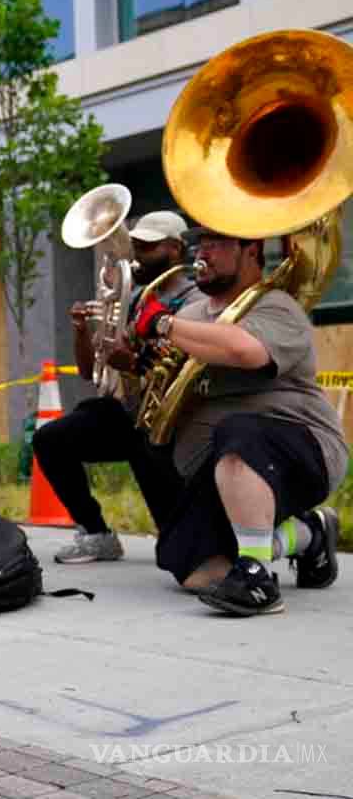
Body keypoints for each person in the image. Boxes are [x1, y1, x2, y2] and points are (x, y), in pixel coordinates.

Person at [132, 226, 345, 615]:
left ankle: (257, 579)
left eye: (216, 244)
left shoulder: (278, 306)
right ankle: (309, 535)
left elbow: (246, 351)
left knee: (237, 431)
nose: (203, 253)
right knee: (185, 561)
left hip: (302, 451)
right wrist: (142, 364)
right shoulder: (193, 313)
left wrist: (164, 325)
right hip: (219, 469)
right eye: (201, 244)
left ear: (251, 251)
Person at [35, 211, 200, 564]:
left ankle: (185, 538)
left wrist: (134, 361)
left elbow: (188, 364)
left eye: (148, 247)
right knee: (50, 439)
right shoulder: (135, 297)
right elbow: (86, 370)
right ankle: (95, 533)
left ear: (175, 249)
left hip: (172, 418)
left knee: (178, 547)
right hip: (129, 410)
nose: (138, 254)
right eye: (136, 245)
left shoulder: (195, 299)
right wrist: (83, 332)